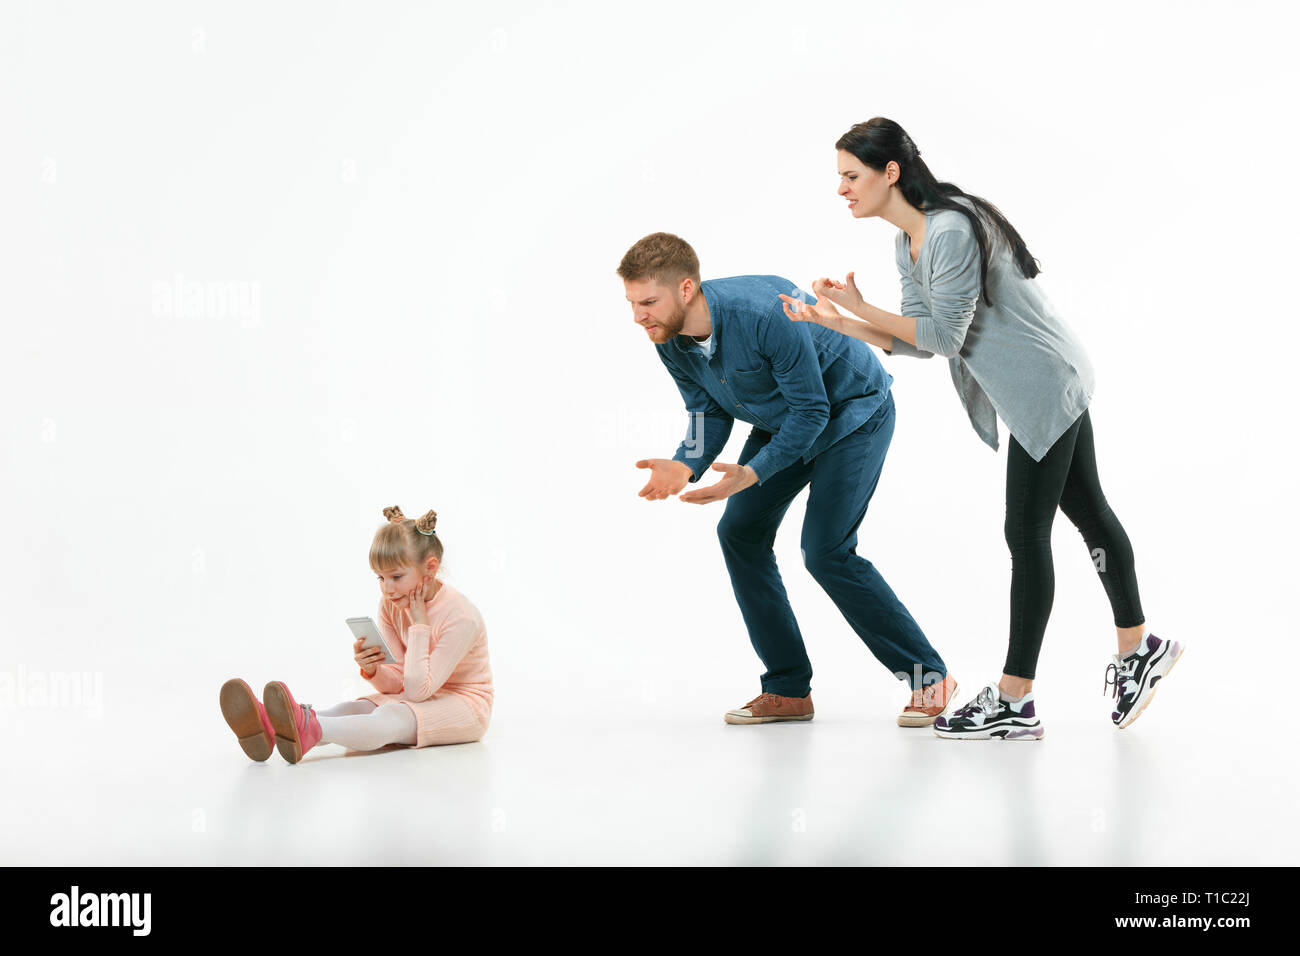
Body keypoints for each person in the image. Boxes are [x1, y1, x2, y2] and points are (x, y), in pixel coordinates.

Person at [780, 116, 1183, 740]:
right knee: (1088, 511)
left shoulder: (947, 229)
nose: (842, 189)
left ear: (891, 173)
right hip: (1047, 378)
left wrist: (860, 308)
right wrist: (838, 323)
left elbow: (942, 335)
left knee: (1026, 532)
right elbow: (921, 343)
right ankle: (1141, 647)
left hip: (1042, 383)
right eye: (839, 178)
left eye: (851, 176)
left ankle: (1016, 698)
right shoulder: (907, 242)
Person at [619, 231, 958, 727]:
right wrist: (685, 462)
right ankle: (787, 689)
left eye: (648, 301)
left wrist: (753, 471)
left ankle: (928, 678)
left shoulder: (762, 314)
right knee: (739, 533)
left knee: (825, 551)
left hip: (853, 414)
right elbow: (707, 410)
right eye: (631, 303)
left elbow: (814, 410)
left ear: (686, 288)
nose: (638, 316)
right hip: (786, 421)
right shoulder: (669, 338)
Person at [218, 505, 492, 763]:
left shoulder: (461, 617)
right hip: (420, 690)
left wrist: (420, 625)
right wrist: (374, 670)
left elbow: (416, 691)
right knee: (359, 707)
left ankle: (309, 727)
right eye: (380, 578)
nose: (387, 589)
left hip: (465, 705)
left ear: (430, 569)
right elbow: (397, 684)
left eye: (396, 577)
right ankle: (276, 723)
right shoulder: (391, 605)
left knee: (392, 715)